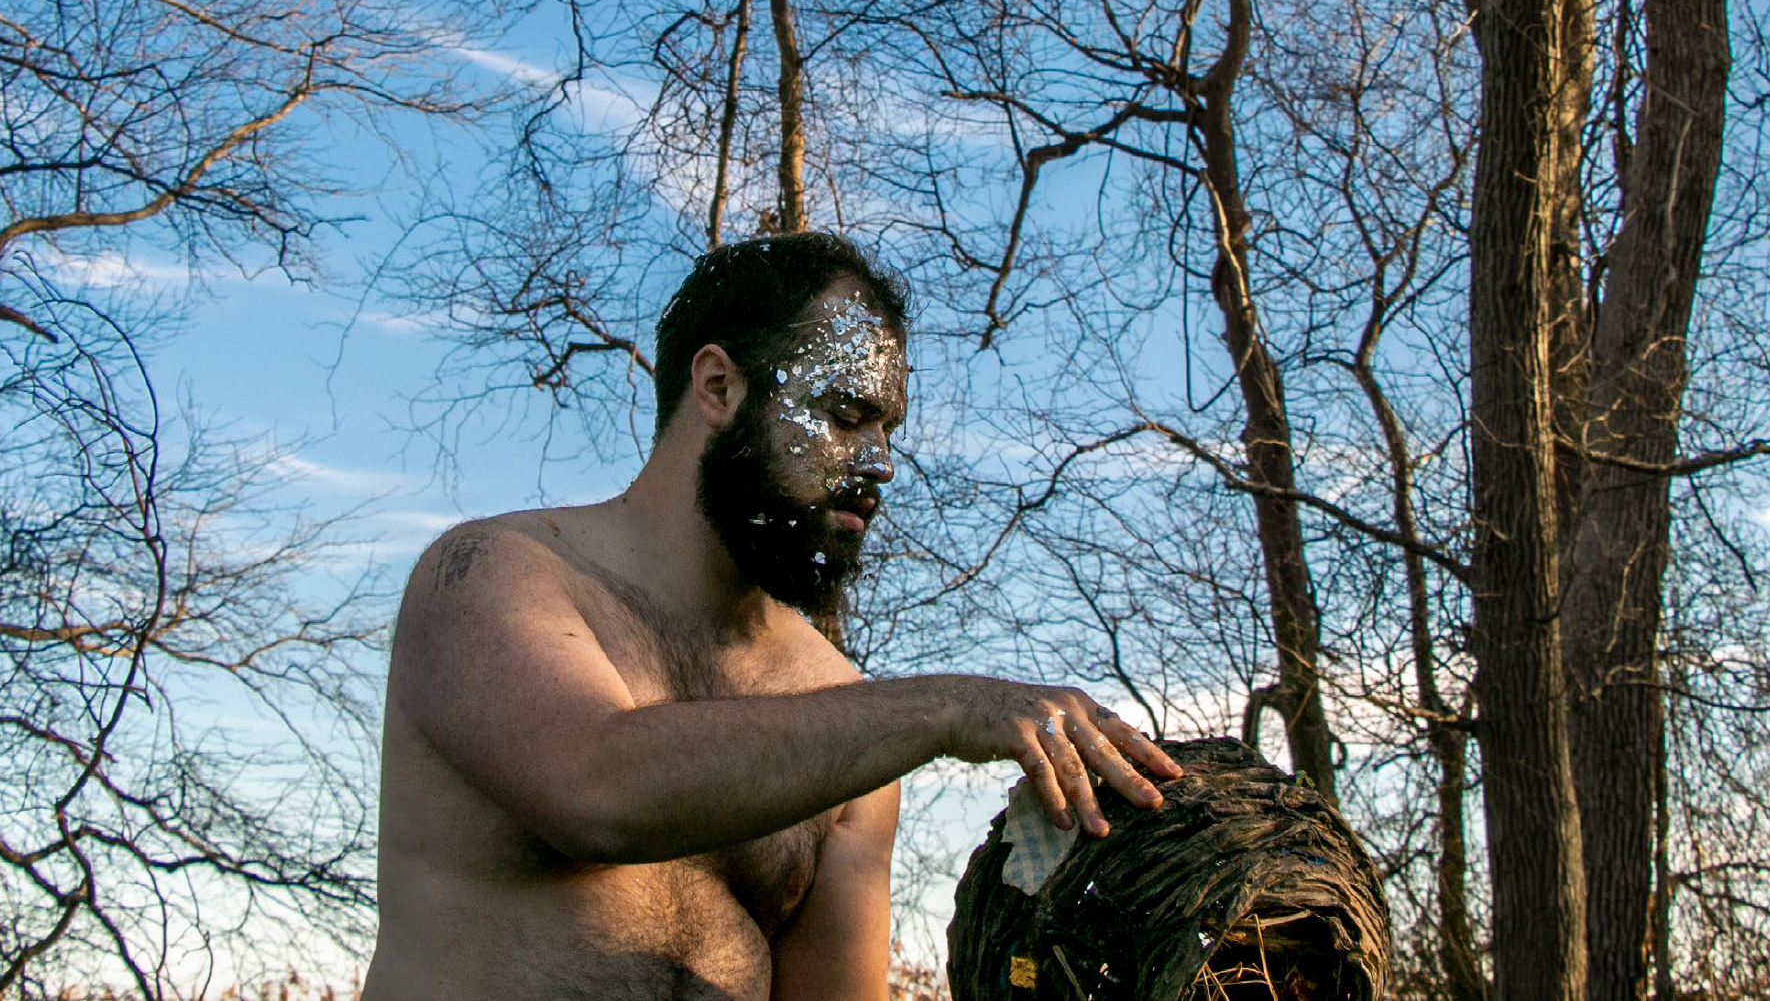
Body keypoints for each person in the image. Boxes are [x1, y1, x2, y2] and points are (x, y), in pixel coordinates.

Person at [364, 233, 1182, 1001]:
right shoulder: (492, 574)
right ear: (718, 386)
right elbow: (596, 792)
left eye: (888, 426)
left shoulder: (838, 708)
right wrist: (940, 706)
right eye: (843, 414)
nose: (880, 463)